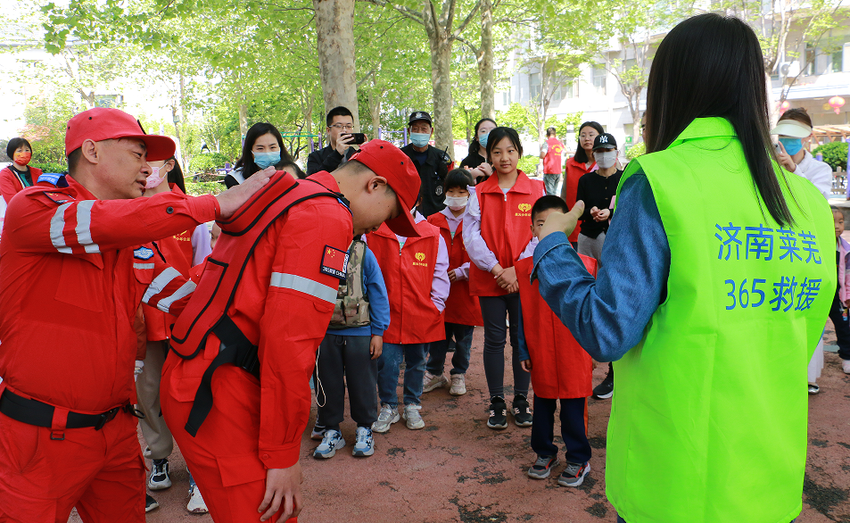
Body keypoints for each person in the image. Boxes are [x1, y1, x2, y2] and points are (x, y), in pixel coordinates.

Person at [534, 14, 834, 522]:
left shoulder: (659, 179)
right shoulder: (806, 200)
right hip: (766, 476)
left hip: (676, 476)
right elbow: (798, 339)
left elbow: (608, 328)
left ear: (672, 87)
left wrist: (550, 249)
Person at [0, 107, 270, 523]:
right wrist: (213, 203)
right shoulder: (33, 208)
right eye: (137, 154)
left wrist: (253, 257)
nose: (149, 168)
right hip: (39, 440)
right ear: (91, 150)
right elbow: (99, 223)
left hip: (118, 433)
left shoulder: (132, 247)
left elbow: (191, 302)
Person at [161, 139, 422, 523]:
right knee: (272, 514)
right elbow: (290, 344)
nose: (379, 225)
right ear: (375, 185)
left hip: (203, 372)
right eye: (389, 212)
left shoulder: (292, 193)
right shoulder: (326, 217)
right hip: (223, 393)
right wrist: (283, 456)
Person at [136, 155, 212, 514]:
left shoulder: (190, 211)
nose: (147, 168)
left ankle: (200, 472)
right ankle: (160, 456)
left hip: (186, 318)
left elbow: (206, 262)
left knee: (194, 394)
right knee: (147, 393)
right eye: (140, 158)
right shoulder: (128, 210)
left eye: (153, 160)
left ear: (168, 165)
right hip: (145, 321)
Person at [464, 126, 545, 430]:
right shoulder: (480, 192)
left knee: (522, 339)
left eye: (510, 150)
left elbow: (543, 233)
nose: (504, 157)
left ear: (519, 152)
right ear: (488, 155)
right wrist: (498, 269)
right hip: (491, 278)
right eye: (496, 151)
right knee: (495, 340)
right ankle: (497, 401)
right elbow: (471, 236)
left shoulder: (536, 190)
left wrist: (517, 269)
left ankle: (521, 399)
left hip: (524, 278)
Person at [517, 195, 595, 487]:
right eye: (541, 223)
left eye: (555, 223)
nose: (548, 229)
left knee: (575, 407)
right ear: (532, 229)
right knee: (543, 405)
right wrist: (524, 348)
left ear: (570, 226)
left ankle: (578, 458)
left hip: (574, 351)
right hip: (541, 350)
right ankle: (544, 452)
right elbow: (523, 314)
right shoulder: (525, 269)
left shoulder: (587, 265)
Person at [368, 199, 449, 432]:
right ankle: (389, 406)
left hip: (422, 313)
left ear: (419, 200)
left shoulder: (433, 235)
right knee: (387, 363)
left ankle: (413, 404)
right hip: (386, 314)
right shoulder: (375, 231)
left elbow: (440, 273)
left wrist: (436, 306)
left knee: (417, 362)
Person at [310, 238, 390, 459]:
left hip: (360, 332)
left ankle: (365, 428)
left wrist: (378, 332)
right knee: (326, 383)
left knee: (363, 383)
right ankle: (331, 430)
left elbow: (378, 291)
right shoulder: (319, 249)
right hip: (326, 333)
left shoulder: (365, 254)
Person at [423, 169, 482, 396]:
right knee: (438, 336)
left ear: (469, 195)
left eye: (461, 192)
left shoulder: (476, 221)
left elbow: (484, 254)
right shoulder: (433, 221)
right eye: (451, 191)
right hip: (440, 293)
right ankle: (434, 372)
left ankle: (459, 373)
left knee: (464, 339)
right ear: (444, 192)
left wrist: (463, 271)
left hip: (466, 293)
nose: (456, 196)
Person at [575, 133, 621, 263]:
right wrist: (590, 211)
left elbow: (629, 209)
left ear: (616, 153)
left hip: (615, 238)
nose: (604, 155)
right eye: (600, 151)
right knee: (587, 275)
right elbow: (579, 212)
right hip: (589, 238)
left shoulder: (624, 179)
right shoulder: (585, 180)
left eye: (608, 150)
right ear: (594, 154)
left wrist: (610, 213)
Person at [773, 108, 832, 201]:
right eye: (782, 134)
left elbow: (817, 201)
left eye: (793, 135)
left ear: (808, 136)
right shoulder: (771, 165)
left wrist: (794, 170)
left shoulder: (821, 169)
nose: (787, 139)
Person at [401, 111, 453, 217]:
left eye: (424, 129)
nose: (419, 132)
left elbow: (451, 186)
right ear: (409, 131)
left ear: (431, 131)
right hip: (407, 216)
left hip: (436, 216)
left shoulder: (442, 157)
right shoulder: (400, 156)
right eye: (415, 129)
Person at [561, 121, 603, 247]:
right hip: (573, 226)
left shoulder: (608, 163)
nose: (587, 138)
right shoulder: (571, 164)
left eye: (591, 135)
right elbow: (564, 194)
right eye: (583, 135)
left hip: (600, 228)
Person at [224, 122, 294, 188]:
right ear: (250, 151)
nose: (267, 153)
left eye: (272, 147)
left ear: (280, 148)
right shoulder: (236, 179)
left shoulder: (293, 173)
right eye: (260, 148)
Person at [306, 106, 359, 175]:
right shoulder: (316, 157)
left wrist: (366, 151)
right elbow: (314, 180)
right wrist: (337, 154)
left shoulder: (357, 155)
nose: (344, 130)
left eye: (348, 126)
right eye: (339, 126)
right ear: (328, 130)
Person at [830, 208, 850, 375]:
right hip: (818, 293)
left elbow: (849, 275)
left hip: (838, 296)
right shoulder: (815, 245)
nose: (837, 226)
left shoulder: (845, 249)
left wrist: (848, 296)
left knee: (844, 326)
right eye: (833, 221)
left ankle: (847, 357)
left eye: (841, 222)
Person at [0, 137, 43, 204]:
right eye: (20, 151)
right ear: (12, 154)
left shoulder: (38, 173)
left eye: (27, 150)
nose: (24, 153)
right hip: (18, 212)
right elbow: (12, 201)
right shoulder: (5, 175)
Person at [460, 118, 497, 184]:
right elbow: (458, 186)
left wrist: (491, 174)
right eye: (483, 131)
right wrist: (471, 176)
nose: (488, 134)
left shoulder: (502, 159)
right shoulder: (468, 161)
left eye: (492, 131)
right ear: (476, 137)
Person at [539, 127, 565, 196]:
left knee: (550, 193)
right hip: (558, 171)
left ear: (547, 135)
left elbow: (542, 155)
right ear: (555, 134)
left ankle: (552, 206)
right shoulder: (560, 144)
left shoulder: (546, 143)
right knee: (555, 191)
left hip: (549, 170)